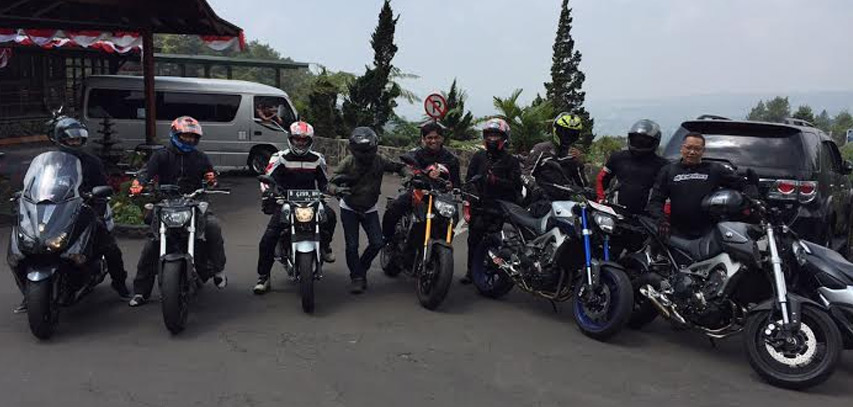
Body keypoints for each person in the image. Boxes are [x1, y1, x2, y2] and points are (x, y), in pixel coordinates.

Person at [11, 117, 130, 313]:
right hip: (55, 207)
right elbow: (32, 183)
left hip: (85, 207)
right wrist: (24, 194)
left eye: (77, 140)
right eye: (70, 140)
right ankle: (29, 294)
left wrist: (96, 197)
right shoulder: (46, 163)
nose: (74, 143)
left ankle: (120, 285)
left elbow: (101, 186)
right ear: (59, 140)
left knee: (109, 246)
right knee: (25, 246)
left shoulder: (91, 162)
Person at [127, 116, 227, 307]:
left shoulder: (200, 157)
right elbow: (146, 172)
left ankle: (218, 270)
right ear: (175, 135)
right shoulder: (161, 155)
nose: (189, 140)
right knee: (152, 244)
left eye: (192, 137)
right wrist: (138, 183)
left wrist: (212, 180)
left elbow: (210, 174)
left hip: (195, 201)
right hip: (166, 203)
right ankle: (141, 292)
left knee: (213, 227)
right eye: (185, 136)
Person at [253, 121, 337, 294]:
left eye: (304, 140)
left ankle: (325, 246)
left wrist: (332, 191)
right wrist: (269, 192)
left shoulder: (317, 158)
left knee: (330, 216)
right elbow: (267, 179)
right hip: (285, 201)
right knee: (268, 238)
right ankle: (264, 276)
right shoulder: (279, 157)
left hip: (311, 201)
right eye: (297, 139)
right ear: (290, 139)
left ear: (310, 141)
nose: (300, 143)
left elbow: (324, 182)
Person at [327, 127, 411, 294]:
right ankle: (357, 278)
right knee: (352, 245)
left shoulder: (380, 160)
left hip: (369, 208)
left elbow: (399, 167)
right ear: (353, 150)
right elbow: (330, 183)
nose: (365, 155)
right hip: (349, 208)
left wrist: (407, 175)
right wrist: (337, 190)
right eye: (361, 151)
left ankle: (361, 269)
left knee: (378, 242)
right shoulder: (348, 163)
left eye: (368, 150)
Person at [647, 132, 757, 239]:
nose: (692, 152)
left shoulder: (714, 169)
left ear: (703, 151)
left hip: (709, 232)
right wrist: (661, 219)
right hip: (677, 233)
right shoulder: (669, 171)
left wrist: (752, 189)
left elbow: (741, 184)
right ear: (682, 148)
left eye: (697, 149)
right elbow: (656, 200)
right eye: (688, 148)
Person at [461, 118, 522, 284]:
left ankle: (497, 274)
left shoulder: (511, 161)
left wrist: (496, 181)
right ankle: (471, 271)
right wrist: (469, 195)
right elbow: (469, 179)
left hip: (500, 208)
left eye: (496, 135)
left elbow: (516, 185)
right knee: (473, 239)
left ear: (504, 137)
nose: (492, 139)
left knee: (499, 243)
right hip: (480, 205)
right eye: (489, 135)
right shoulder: (479, 157)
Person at [382, 120, 461, 243]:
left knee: (453, 216)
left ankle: (443, 242)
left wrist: (453, 186)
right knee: (395, 207)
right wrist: (416, 174)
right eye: (429, 138)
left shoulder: (451, 159)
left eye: (436, 137)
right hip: (418, 192)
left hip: (441, 197)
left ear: (442, 138)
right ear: (423, 139)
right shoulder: (416, 154)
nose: (433, 141)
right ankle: (387, 239)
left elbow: (456, 182)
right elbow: (407, 165)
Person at [523, 113, 589, 217]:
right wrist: (536, 188)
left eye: (572, 134)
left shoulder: (573, 156)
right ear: (556, 130)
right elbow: (525, 174)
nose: (567, 137)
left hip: (565, 204)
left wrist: (579, 163)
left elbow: (582, 185)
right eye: (564, 132)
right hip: (540, 201)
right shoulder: (541, 149)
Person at [596, 119, 668, 213]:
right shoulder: (618, 157)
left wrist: (664, 213)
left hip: (647, 215)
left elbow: (668, 192)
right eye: (636, 140)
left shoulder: (663, 165)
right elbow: (602, 178)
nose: (639, 144)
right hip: (617, 211)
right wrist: (600, 199)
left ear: (655, 142)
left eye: (644, 141)